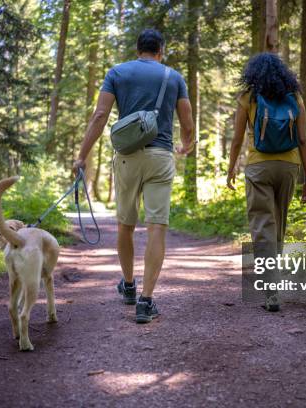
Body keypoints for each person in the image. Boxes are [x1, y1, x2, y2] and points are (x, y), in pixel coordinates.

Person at [73, 29, 194, 324]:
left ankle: (128, 286)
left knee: (125, 225)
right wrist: (186, 145)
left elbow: (100, 116)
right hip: (160, 156)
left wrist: (82, 156)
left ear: (137, 49)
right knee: (156, 227)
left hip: (126, 157)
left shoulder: (117, 72)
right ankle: (146, 301)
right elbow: (188, 122)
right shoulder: (174, 77)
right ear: (160, 50)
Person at [226, 53, 306, 312]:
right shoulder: (295, 97)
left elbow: (237, 139)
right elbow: (303, 141)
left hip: (258, 167)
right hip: (289, 166)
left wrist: (231, 168)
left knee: (263, 226)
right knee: (279, 224)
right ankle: (275, 283)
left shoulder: (248, 97)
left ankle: (271, 290)